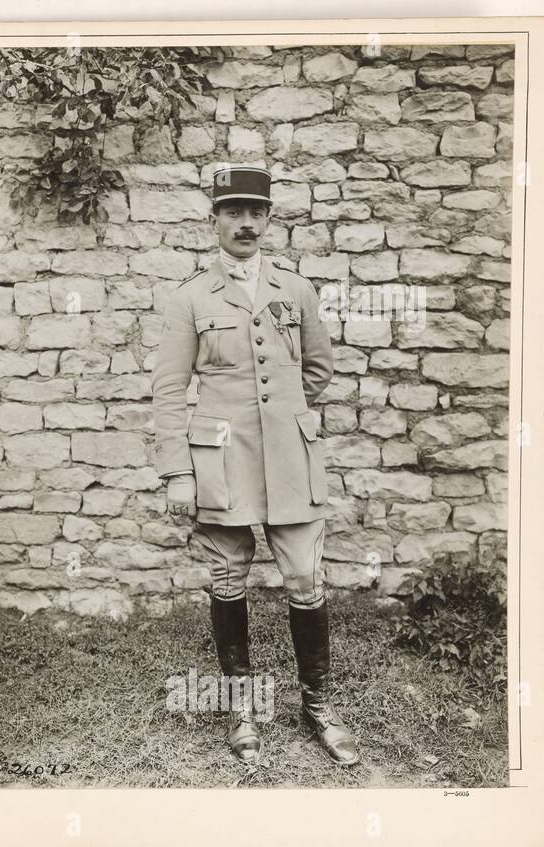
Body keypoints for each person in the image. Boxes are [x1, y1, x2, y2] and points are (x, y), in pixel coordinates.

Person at [151, 164, 360, 767]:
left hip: (291, 462)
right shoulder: (191, 297)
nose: (245, 223)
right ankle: (243, 708)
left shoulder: (295, 290)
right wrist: (179, 472)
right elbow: (169, 390)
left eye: (256, 213)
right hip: (221, 461)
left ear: (268, 220)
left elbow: (317, 369)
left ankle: (316, 705)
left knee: (306, 580)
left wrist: (287, 420)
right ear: (214, 219)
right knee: (227, 579)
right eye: (233, 212)